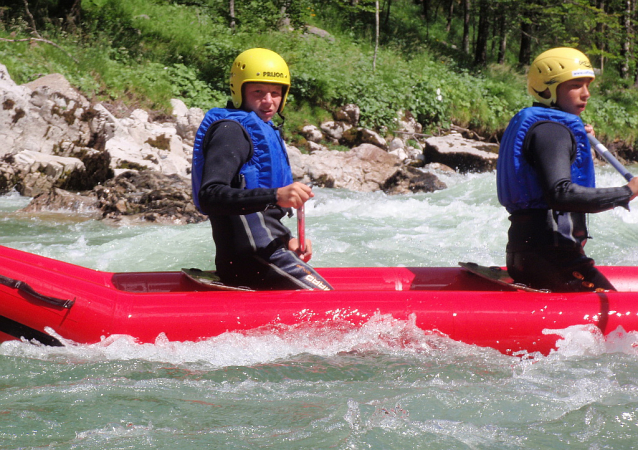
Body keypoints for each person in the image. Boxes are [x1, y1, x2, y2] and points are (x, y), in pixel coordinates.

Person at [497, 47, 638, 292]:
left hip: (529, 254)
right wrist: (626, 192)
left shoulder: (549, 127)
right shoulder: (552, 131)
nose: (586, 94)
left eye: (587, 84)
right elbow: (560, 194)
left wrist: (574, 141)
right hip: (554, 260)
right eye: (575, 85)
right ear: (546, 89)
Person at [191, 48, 333, 291]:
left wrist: (289, 240)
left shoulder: (263, 130)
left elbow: (263, 215)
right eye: (258, 92)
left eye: (275, 93)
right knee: (330, 305)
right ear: (240, 91)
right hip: (251, 260)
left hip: (268, 253)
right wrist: (276, 195)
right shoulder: (231, 131)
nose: (269, 101)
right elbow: (210, 195)